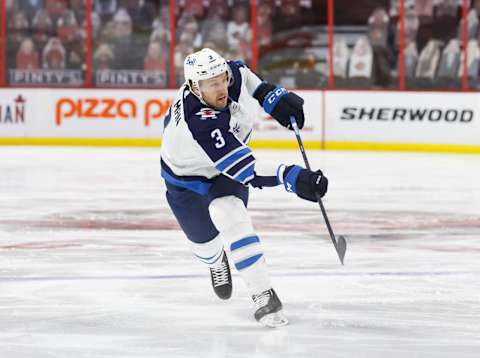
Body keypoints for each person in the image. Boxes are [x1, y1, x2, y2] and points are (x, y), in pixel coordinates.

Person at [160, 48, 328, 328]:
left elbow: (249, 79)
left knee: (230, 212)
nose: (220, 87)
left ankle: (263, 294)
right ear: (193, 87)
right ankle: (216, 262)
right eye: (210, 84)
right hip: (184, 181)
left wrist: (273, 97)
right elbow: (248, 171)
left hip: (222, 174)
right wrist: (292, 176)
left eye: (221, 78)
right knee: (205, 246)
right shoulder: (198, 122)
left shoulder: (232, 75)